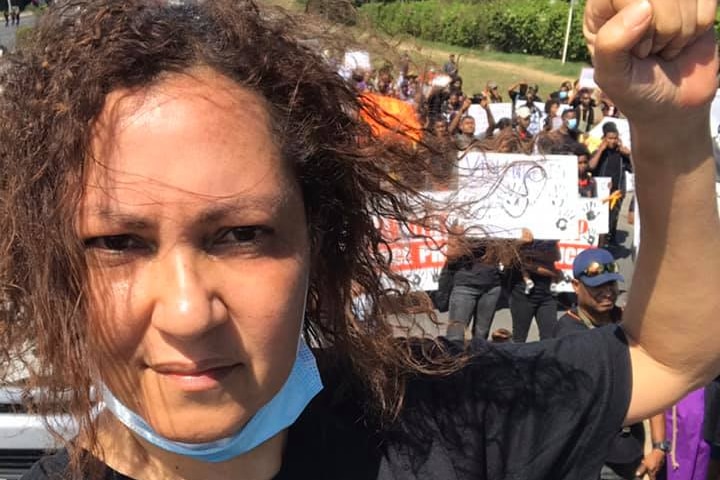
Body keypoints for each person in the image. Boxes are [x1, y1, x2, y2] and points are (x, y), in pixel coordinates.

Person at [2, 0, 720, 479]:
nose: (189, 313)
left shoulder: (440, 425)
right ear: (53, 264)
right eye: (119, 243)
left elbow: (670, 353)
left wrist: (672, 128)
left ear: (322, 243)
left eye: (243, 234)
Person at [553, 248, 668, 480]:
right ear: (576, 285)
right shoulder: (566, 333)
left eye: (611, 285)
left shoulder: (629, 324)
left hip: (628, 451)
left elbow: (653, 383)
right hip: (584, 453)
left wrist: (659, 446)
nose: (607, 293)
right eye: (598, 286)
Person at [589, 121, 633, 246]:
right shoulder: (599, 152)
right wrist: (600, 150)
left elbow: (634, 169)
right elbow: (591, 166)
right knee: (599, 218)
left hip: (616, 191)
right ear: (604, 138)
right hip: (600, 192)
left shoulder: (621, 154)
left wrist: (628, 154)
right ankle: (598, 242)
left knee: (612, 217)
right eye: (610, 138)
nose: (612, 141)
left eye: (615, 138)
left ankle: (610, 240)